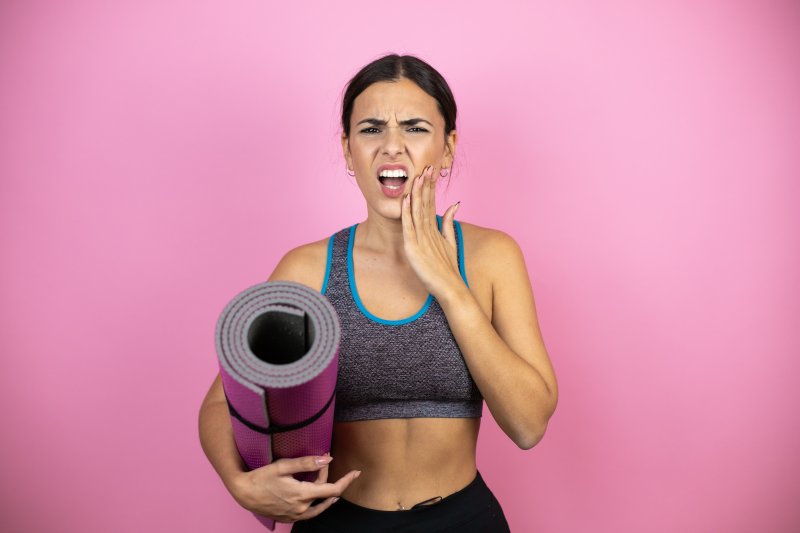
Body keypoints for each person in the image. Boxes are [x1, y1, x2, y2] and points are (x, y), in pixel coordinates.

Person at [198, 54, 558, 532]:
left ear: (447, 147)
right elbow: (221, 401)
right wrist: (238, 483)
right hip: (337, 523)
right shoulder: (307, 269)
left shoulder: (492, 258)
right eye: (370, 130)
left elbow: (529, 425)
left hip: (464, 520)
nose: (392, 147)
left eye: (414, 128)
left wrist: (450, 286)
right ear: (348, 150)